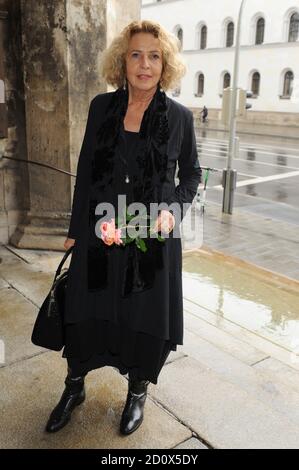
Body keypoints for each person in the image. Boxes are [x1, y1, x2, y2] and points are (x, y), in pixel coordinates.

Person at [45, 20, 202, 436]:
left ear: (165, 64)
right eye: (136, 54)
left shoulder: (181, 118)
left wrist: (174, 209)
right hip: (102, 232)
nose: (144, 64)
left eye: (154, 55)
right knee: (85, 311)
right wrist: (78, 229)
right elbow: (85, 171)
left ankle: (137, 393)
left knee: (143, 318)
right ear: (123, 60)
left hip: (152, 238)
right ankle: (74, 386)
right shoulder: (102, 107)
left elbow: (191, 176)